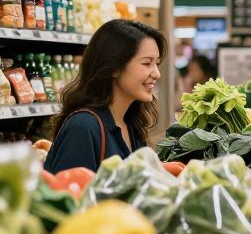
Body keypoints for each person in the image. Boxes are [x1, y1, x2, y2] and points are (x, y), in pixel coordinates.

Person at [45, 19, 164, 174]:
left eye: (157, 63)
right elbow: (70, 194)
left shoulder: (130, 124)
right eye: (147, 63)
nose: (157, 73)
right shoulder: (82, 127)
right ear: (113, 67)